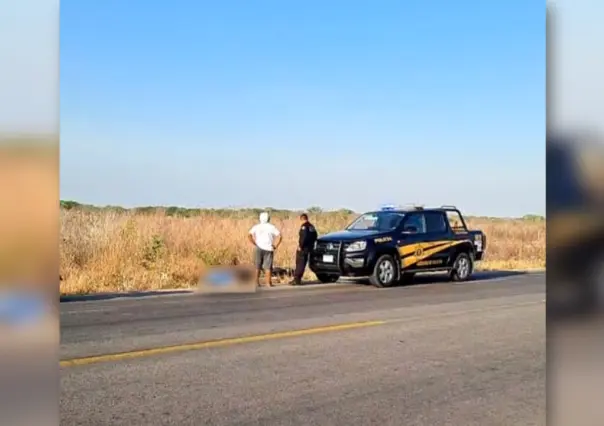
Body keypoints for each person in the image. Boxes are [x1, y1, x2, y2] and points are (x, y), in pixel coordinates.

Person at [248, 212, 282, 287]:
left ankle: (256, 282)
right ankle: (268, 283)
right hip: (269, 248)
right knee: (268, 267)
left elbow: (249, 235)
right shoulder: (272, 227)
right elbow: (280, 236)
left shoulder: (256, 226)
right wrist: (276, 245)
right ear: (268, 219)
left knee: (257, 266)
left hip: (258, 247)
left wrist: (254, 243)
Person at [290, 213, 318, 285]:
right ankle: (298, 279)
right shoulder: (312, 226)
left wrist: (300, 246)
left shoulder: (304, 227)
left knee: (300, 263)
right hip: (309, 248)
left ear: (301, 219)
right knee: (303, 263)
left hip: (303, 248)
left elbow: (304, 237)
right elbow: (315, 236)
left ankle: (296, 279)